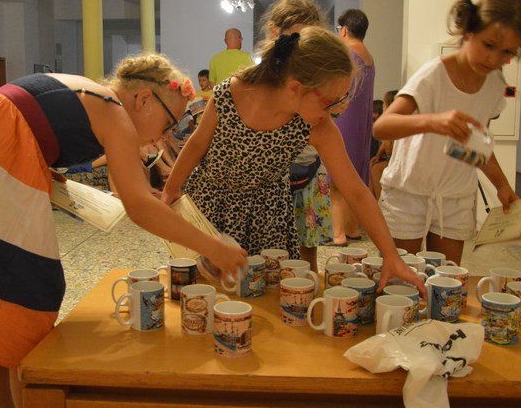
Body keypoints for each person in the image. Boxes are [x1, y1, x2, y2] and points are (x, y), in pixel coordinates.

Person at [0, 54, 247, 408]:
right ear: (142, 99)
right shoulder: (116, 114)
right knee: (27, 300)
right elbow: (139, 206)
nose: (163, 139)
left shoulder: (98, 98)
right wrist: (214, 248)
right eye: (168, 124)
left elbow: (47, 128)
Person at [162, 27, 424, 297]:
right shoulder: (231, 93)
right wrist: (171, 189)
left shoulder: (317, 126)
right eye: (330, 102)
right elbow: (197, 144)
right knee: (203, 294)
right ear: (296, 87)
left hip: (267, 217)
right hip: (210, 208)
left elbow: (356, 191)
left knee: (266, 296)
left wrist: (390, 254)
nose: (336, 110)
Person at [373, 0, 521, 265]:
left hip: (455, 197)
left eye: (507, 52)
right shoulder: (434, 74)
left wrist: (502, 185)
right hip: (409, 192)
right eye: (488, 45)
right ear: (468, 31)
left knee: (447, 281)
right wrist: (433, 121)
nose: (494, 60)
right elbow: (382, 127)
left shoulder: (495, 86)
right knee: (400, 278)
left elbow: (476, 145)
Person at [259, 0, 334, 270]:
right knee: (268, 256)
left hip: (309, 170)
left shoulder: (318, 78)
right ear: (274, 34)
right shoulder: (260, 79)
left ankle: (306, 292)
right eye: (295, 39)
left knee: (307, 253)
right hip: (270, 178)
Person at [329, 9, 375, 246]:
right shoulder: (368, 56)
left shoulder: (345, 54)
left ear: (345, 30)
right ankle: (352, 227)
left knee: (337, 179)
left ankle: (338, 233)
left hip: (344, 120)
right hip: (362, 123)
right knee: (355, 176)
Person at [369, 90, 397, 200]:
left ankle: (380, 201)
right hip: (389, 158)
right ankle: (372, 200)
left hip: (395, 160)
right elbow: (385, 143)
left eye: (385, 104)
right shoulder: (388, 121)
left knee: (375, 169)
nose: (383, 107)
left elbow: (388, 143)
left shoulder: (394, 122)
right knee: (371, 167)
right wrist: (378, 155)